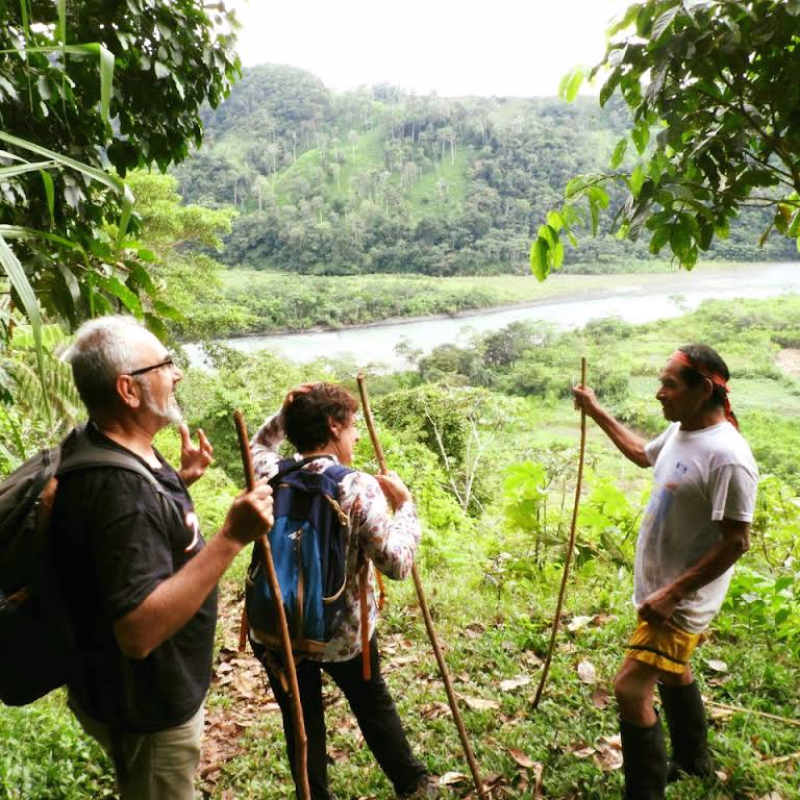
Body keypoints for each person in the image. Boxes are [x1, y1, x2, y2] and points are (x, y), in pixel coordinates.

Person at [50, 315, 274, 800]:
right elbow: (137, 631)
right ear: (128, 390)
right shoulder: (120, 490)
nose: (176, 374)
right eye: (165, 364)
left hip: (130, 691)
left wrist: (180, 482)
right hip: (146, 706)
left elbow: (128, 536)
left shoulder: (110, 446)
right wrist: (231, 538)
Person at [572, 345, 757, 800]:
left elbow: (736, 542)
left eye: (670, 384)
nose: (659, 393)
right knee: (675, 672)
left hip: (680, 601)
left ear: (705, 389)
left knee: (629, 688)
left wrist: (673, 594)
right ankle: (694, 761)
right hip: (661, 591)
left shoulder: (728, 457)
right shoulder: (681, 429)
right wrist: (596, 410)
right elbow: (641, 453)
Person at [250, 382, 435, 799]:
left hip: (279, 629)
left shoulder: (270, 472)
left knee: (302, 724)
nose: (354, 437)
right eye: (351, 427)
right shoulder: (358, 486)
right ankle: (412, 783)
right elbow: (397, 563)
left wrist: (285, 414)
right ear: (334, 427)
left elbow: (258, 443)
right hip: (343, 635)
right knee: (372, 704)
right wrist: (406, 506)